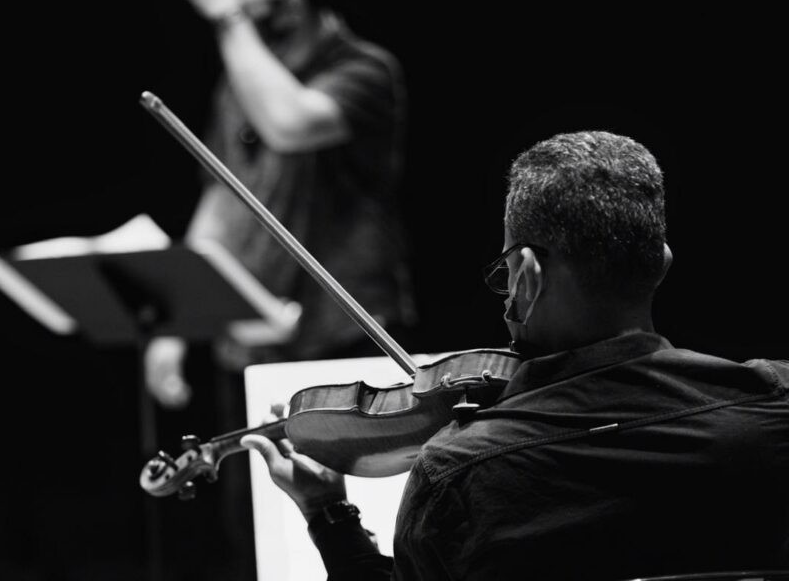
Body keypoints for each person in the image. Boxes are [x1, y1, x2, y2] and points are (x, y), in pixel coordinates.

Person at [241, 131, 789, 580]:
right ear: (661, 263)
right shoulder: (773, 407)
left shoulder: (461, 476)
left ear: (526, 274)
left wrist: (328, 515)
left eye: (506, 271)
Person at [145, 0, 415, 411]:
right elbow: (220, 197)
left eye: (248, 9)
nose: (233, 25)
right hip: (250, 340)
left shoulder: (364, 69)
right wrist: (177, 325)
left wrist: (230, 17)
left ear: (290, 5)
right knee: (247, 481)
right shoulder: (240, 81)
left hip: (343, 334)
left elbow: (289, 124)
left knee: (341, 483)